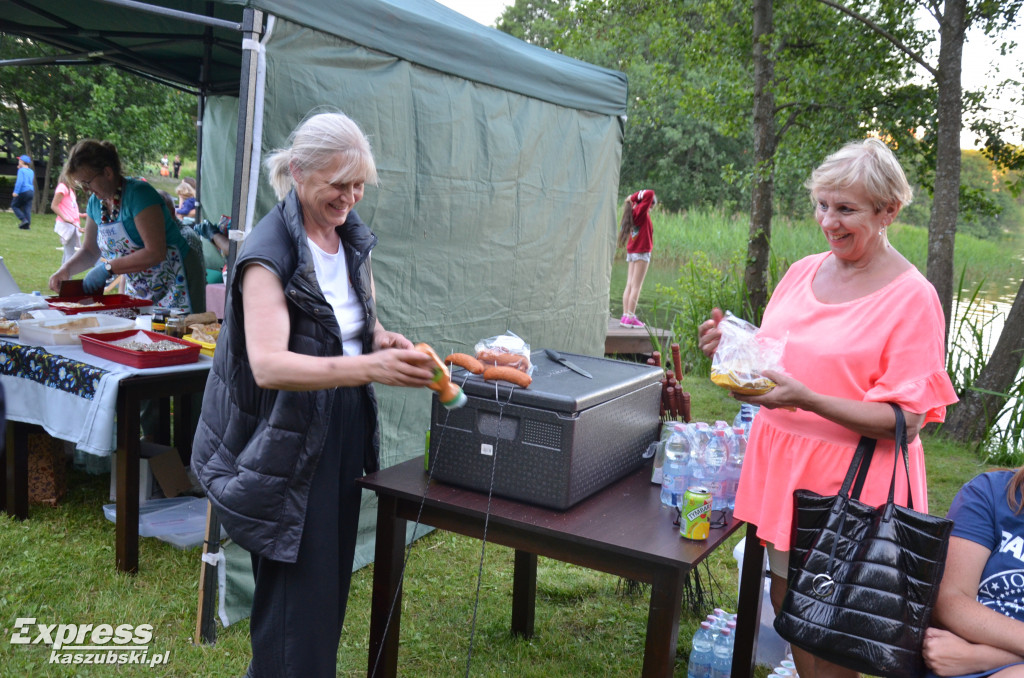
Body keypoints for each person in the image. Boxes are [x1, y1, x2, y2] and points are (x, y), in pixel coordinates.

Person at [697, 138, 958, 678]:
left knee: (834, 634)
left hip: (853, 485)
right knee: (790, 612)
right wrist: (730, 351)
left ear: (889, 211)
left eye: (846, 209)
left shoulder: (912, 297)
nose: (829, 221)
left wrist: (808, 400)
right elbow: (776, 361)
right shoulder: (802, 271)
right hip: (785, 472)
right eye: (822, 205)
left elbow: (905, 420)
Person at [190, 111, 436, 678]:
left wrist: (380, 338)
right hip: (280, 438)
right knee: (293, 612)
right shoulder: (266, 252)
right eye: (338, 183)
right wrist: (368, 365)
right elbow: (271, 364)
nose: (350, 197)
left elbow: (350, 324)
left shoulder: (349, 239)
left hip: (339, 426)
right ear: (298, 173)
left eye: (359, 185)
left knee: (323, 588)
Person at [47, 139, 204, 313]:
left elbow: (155, 252)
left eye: (87, 182)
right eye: (80, 184)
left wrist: (108, 268)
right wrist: (65, 270)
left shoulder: (140, 195)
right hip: (141, 284)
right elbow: (90, 251)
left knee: (176, 335)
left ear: (107, 172)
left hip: (177, 279)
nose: (85, 190)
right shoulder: (95, 203)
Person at [921, 466, 1024, 677]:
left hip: (967, 656)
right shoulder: (991, 492)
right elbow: (949, 601)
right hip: (954, 658)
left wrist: (982, 657)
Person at [617, 188, 656, 328]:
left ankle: (625, 316)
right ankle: (631, 317)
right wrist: (632, 197)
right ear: (649, 204)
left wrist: (632, 200)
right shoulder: (640, 211)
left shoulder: (632, 212)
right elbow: (650, 193)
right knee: (636, 286)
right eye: (651, 207)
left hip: (633, 252)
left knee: (630, 284)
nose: (650, 210)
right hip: (641, 252)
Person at [51, 171, 85, 264]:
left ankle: (63, 276)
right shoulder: (62, 187)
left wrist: (79, 215)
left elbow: (70, 207)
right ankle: (66, 277)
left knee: (68, 252)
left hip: (72, 223)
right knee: (70, 252)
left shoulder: (70, 189)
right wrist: (64, 218)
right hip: (66, 224)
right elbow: (54, 205)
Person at [12, 154, 35, 230]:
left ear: (22, 162)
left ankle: (24, 220)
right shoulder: (31, 171)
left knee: (14, 206)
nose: (18, 162)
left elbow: (20, 182)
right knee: (27, 208)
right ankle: (27, 226)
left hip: (23, 191)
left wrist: (16, 191)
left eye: (19, 160)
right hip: (31, 191)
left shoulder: (21, 171)